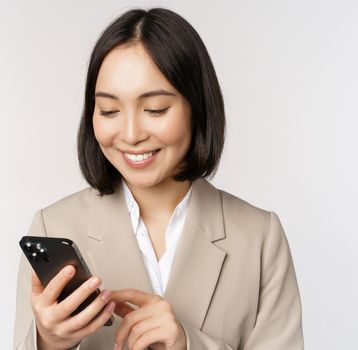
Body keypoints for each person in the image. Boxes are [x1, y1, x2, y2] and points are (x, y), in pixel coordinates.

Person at [13, 7, 304, 350]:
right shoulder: (54, 227)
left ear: (197, 108)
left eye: (155, 109)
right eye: (109, 110)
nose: (131, 134)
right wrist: (48, 341)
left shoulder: (259, 238)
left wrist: (188, 344)